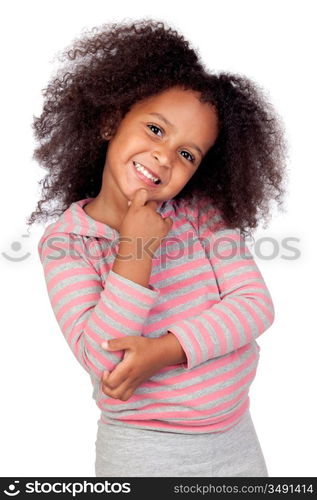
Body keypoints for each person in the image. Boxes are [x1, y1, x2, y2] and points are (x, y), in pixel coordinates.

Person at [28, 19, 288, 477]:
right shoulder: (68, 242)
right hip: (143, 453)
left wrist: (165, 350)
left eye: (188, 154)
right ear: (111, 121)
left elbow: (255, 307)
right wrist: (137, 248)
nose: (165, 156)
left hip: (235, 439)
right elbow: (107, 361)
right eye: (155, 129)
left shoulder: (201, 214)